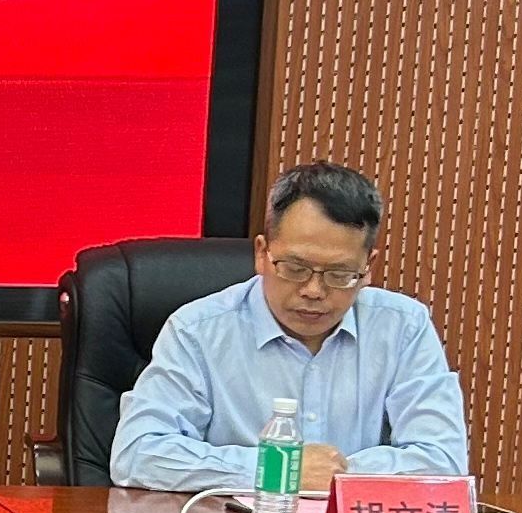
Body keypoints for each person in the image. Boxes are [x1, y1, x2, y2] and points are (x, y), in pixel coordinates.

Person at [109, 162, 469, 494]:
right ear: (262, 254)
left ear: (367, 269)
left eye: (340, 274)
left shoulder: (403, 327)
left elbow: (443, 461)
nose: (313, 290)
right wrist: (278, 469)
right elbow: (138, 454)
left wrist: (335, 473)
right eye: (295, 268)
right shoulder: (197, 331)